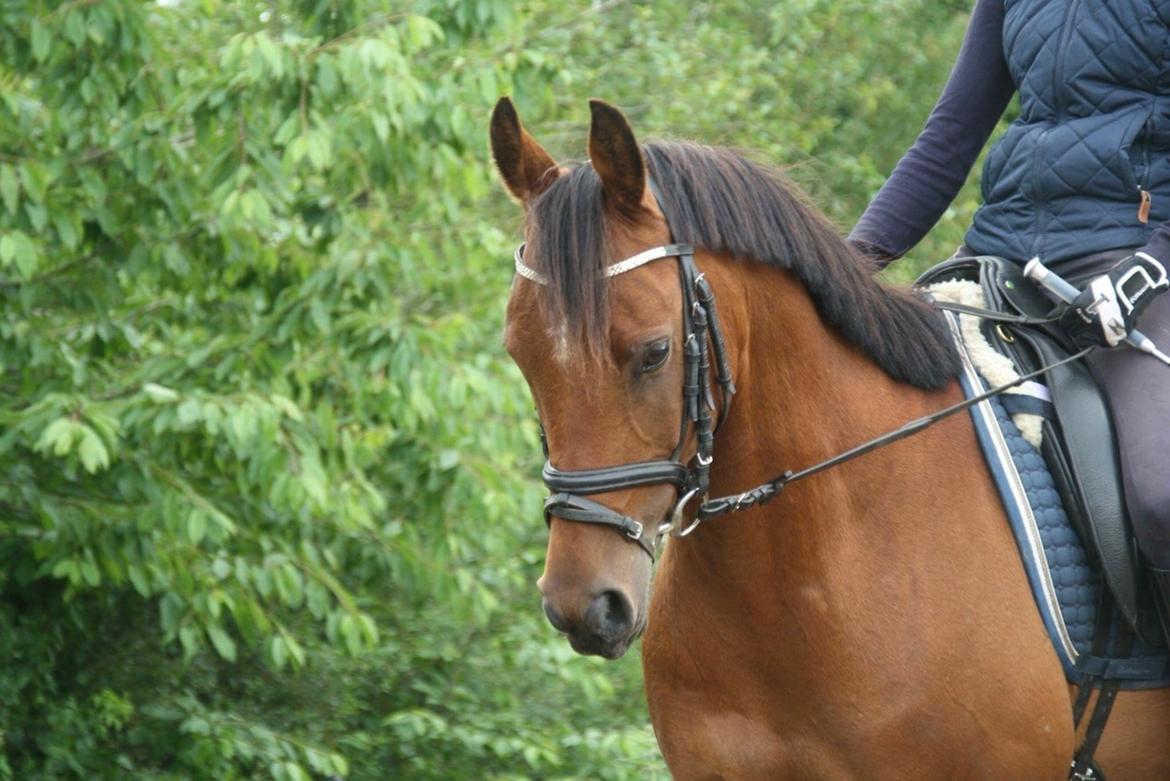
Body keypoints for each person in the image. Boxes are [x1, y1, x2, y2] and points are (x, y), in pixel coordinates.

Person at [847, 0, 1170, 620]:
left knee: (1161, 495)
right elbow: (948, 137)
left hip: (1133, 262)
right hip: (1002, 251)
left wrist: (1150, 268)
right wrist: (838, 271)